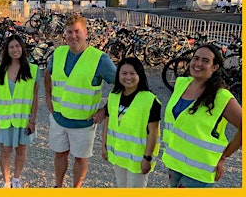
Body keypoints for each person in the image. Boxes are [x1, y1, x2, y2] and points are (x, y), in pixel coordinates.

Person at [44, 15, 116, 188]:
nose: (73, 36)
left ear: (85, 32)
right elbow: (48, 74)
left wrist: (105, 111)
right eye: (69, 32)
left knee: (80, 158)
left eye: (77, 31)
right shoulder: (59, 52)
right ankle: (58, 187)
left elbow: (122, 85)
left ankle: (76, 189)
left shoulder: (100, 59)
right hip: (59, 118)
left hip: (84, 122)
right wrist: (48, 98)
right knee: (60, 154)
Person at [162, 44, 242, 188]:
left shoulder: (221, 97)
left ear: (215, 67)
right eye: (196, 58)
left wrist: (224, 156)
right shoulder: (181, 84)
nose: (198, 63)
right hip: (174, 163)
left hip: (198, 171)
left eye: (205, 61)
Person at [101, 57, 161, 188]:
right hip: (118, 155)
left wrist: (148, 158)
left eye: (133, 73)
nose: (128, 77)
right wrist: (104, 146)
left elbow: (153, 132)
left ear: (140, 75)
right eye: (124, 73)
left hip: (138, 159)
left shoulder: (150, 100)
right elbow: (108, 122)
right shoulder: (113, 96)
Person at [0, 35, 39, 188]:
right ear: (7, 50)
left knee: (21, 150)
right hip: (5, 119)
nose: (15, 50)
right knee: (5, 151)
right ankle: (6, 181)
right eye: (11, 47)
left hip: (23, 120)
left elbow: (35, 97)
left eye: (17, 46)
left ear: (22, 48)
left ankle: (16, 179)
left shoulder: (32, 69)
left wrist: (33, 120)